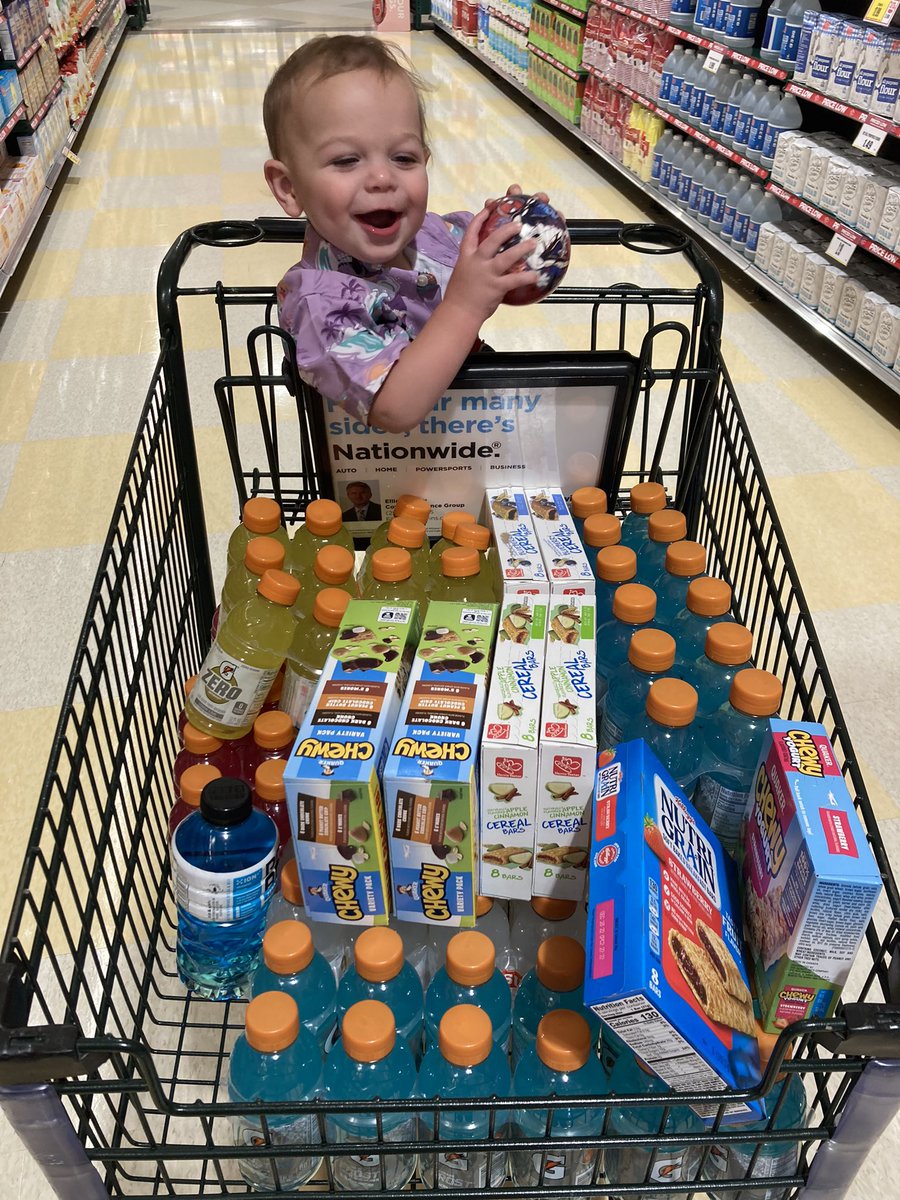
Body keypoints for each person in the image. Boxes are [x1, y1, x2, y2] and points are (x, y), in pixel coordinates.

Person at [262, 34, 552, 434]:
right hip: (388, 473)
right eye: (346, 160)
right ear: (288, 187)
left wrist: (519, 233)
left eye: (404, 158)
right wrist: (465, 307)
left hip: (470, 437)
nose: (383, 178)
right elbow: (393, 409)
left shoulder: (434, 234)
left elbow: (499, 262)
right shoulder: (321, 304)